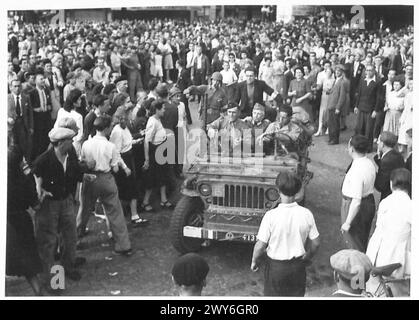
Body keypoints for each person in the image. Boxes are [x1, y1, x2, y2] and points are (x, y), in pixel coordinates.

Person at [251, 171, 320, 296]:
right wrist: (308, 255)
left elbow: (260, 246)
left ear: (278, 190)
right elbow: (316, 243)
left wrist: (254, 261)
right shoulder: (306, 214)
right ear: (297, 191)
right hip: (298, 268)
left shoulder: (270, 216)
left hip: (276, 269)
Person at [32, 127, 85, 290]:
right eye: (70, 140)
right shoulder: (43, 160)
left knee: (70, 236)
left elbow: (75, 173)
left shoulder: (70, 156)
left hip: (66, 201)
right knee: (48, 242)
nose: (73, 143)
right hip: (49, 205)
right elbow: (34, 175)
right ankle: (51, 282)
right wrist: (39, 188)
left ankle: (68, 267)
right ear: (61, 143)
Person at [78, 115, 133, 256]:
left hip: (90, 179)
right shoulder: (111, 146)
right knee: (115, 211)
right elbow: (115, 168)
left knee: (84, 209)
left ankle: (76, 237)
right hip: (106, 179)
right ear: (107, 128)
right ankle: (123, 244)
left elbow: (82, 162)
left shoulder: (86, 144)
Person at [366, 168, 411, 297]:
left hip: (377, 254)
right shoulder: (411, 205)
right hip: (397, 259)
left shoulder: (385, 202)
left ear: (391, 184)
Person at [7, 144, 43, 296]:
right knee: (28, 261)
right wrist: (42, 194)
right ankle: (38, 291)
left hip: (7, 220)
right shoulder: (24, 181)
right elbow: (36, 206)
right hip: (21, 221)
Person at [110, 112, 148, 227]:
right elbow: (116, 152)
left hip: (129, 158)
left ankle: (132, 215)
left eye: (125, 119)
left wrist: (137, 140)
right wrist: (125, 167)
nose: (124, 121)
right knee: (128, 189)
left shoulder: (125, 128)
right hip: (123, 161)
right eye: (122, 119)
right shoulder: (117, 131)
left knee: (131, 188)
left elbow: (128, 142)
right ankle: (132, 216)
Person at [341, 135, 376, 253]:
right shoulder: (368, 163)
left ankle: (358, 268)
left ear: (351, 149)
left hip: (355, 205)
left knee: (353, 242)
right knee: (362, 238)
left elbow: (356, 201)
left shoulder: (357, 169)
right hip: (368, 201)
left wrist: (347, 222)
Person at [141, 101, 173, 211]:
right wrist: (147, 159)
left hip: (161, 150)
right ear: (157, 110)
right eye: (163, 108)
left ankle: (163, 200)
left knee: (163, 177)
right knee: (152, 179)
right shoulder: (152, 122)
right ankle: (145, 202)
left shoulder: (158, 119)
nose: (164, 110)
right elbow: (147, 141)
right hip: (154, 153)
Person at [8, 78, 33, 164]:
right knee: (13, 147)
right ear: (10, 87)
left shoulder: (26, 97)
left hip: (23, 125)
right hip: (12, 127)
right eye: (15, 86)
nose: (17, 88)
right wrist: (7, 119)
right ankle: (14, 165)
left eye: (19, 86)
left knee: (24, 147)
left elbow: (30, 114)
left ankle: (26, 165)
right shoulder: (6, 98)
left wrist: (31, 127)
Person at [374, 132, 405, 201]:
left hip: (388, 195)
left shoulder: (386, 161)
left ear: (382, 144)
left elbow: (380, 186)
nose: (377, 143)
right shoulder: (398, 155)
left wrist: (374, 174)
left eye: (379, 141)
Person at [54, 89, 84, 157]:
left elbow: (56, 127)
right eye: (79, 99)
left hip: (60, 144)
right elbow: (79, 136)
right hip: (73, 145)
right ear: (74, 102)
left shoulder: (61, 111)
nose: (81, 101)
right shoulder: (78, 116)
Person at [326, 64, 348, 145]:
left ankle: (335, 139)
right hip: (331, 105)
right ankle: (331, 138)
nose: (337, 72)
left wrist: (338, 107)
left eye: (339, 71)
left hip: (335, 106)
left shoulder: (342, 82)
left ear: (342, 72)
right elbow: (334, 91)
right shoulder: (336, 80)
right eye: (336, 71)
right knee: (331, 123)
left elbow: (342, 96)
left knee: (335, 124)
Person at [314, 66, 334, 136]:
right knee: (322, 112)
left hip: (330, 97)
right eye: (327, 72)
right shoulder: (324, 79)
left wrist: (330, 91)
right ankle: (319, 129)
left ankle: (328, 128)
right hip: (324, 97)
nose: (328, 73)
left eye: (329, 72)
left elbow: (334, 90)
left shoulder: (333, 80)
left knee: (328, 112)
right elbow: (319, 86)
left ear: (332, 73)